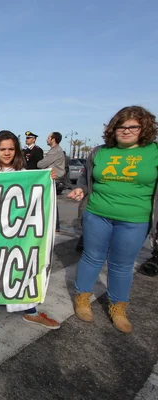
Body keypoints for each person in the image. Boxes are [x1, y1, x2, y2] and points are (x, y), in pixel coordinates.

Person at [68, 105, 158, 333]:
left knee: (122, 265)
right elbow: (86, 179)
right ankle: (82, 298)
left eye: (133, 127)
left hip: (134, 219)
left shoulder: (154, 152)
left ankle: (118, 307)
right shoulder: (100, 152)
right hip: (97, 214)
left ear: (143, 128)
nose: (126, 131)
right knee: (91, 257)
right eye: (121, 126)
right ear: (113, 128)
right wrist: (81, 190)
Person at [0, 131, 60, 329]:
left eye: (11, 149)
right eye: (2, 149)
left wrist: (48, 178)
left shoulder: (25, 173)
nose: (7, 153)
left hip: (18, 231)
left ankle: (31, 311)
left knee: (21, 266)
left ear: (16, 151)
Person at [37, 132, 66, 232]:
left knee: (51, 202)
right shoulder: (56, 150)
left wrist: (39, 162)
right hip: (56, 178)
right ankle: (55, 225)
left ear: (53, 139)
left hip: (55, 178)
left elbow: (41, 164)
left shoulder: (55, 151)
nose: (46, 139)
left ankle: (55, 225)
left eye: (48, 137)